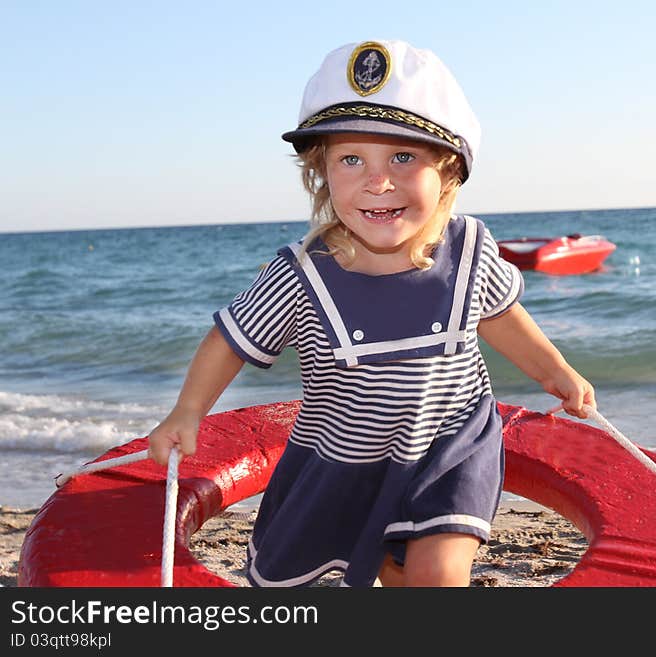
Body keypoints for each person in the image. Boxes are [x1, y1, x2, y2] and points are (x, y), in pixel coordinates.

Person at [148, 39, 596, 588]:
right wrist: (187, 411)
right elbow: (230, 341)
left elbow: (501, 316)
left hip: (448, 444)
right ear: (322, 174)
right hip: (345, 460)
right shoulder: (300, 276)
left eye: (403, 157)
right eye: (351, 159)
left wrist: (556, 372)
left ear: (448, 172)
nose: (377, 180)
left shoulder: (472, 249)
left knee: (438, 570)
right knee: (379, 569)